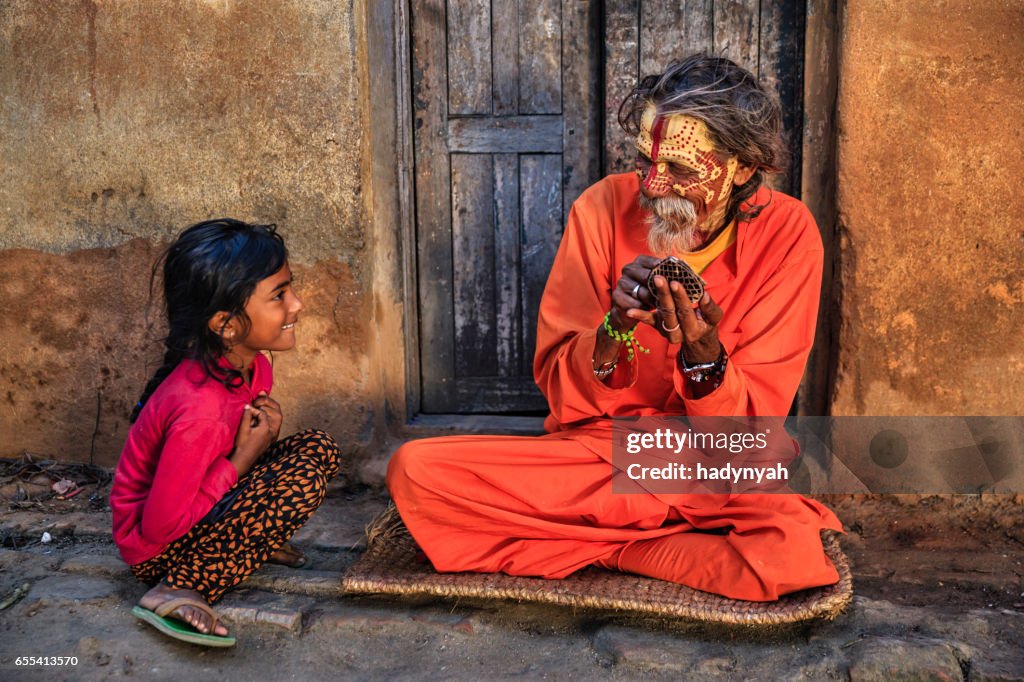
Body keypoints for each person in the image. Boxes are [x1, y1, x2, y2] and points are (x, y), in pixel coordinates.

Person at [387, 54, 843, 602]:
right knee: (417, 470)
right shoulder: (602, 207)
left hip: (707, 462)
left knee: (786, 555)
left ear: (743, 168)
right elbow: (562, 390)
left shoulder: (789, 233)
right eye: (646, 161)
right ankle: (635, 547)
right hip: (603, 458)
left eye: (678, 170)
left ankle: (600, 544)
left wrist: (703, 353)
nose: (654, 184)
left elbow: (744, 434)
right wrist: (614, 326)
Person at [110, 219, 340, 646]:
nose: (298, 304)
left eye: (290, 289)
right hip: (158, 550)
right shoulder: (200, 409)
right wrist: (243, 459)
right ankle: (180, 587)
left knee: (318, 449)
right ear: (226, 324)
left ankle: (243, 542)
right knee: (301, 481)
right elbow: (160, 528)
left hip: (202, 505)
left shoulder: (255, 367)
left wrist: (258, 444)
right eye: (279, 295)